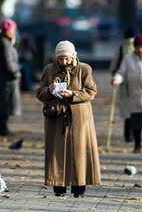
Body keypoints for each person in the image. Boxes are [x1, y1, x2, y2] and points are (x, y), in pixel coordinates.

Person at [36, 41, 101, 198]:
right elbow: (39, 93)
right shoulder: (49, 70)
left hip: (79, 118)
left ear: (73, 56)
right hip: (56, 117)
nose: (63, 62)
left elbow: (91, 91)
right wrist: (49, 90)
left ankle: (79, 187)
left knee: (80, 152)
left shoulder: (84, 69)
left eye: (66, 58)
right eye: (60, 59)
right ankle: (59, 187)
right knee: (57, 152)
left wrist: (73, 94)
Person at [0, 19, 21, 136]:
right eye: (12, 30)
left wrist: (12, 44)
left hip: (0, 77)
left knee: (1, 103)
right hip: (7, 79)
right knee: (5, 104)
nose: (13, 32)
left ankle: (0, 127)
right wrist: (16, 72)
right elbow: (8, 62)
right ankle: (3, 127)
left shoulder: (0, 41)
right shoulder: (4, 43)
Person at [109, 27, 138, 142]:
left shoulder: (121, 48)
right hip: (138, 83)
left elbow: (114, 66)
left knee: (127, 112)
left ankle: (128, 135)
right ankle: (138, 136)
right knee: (139, 109)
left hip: (123, 83)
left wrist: (115, 77)